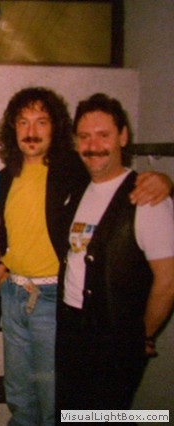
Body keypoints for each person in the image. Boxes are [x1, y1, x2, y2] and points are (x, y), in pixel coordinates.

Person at [0, 87, 173, 426]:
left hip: (54, 301)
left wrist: (164, 180)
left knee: (59, 403)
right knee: (20, 397)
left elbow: (119, 182)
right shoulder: (4, 177)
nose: (31, 131)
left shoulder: (74, 171)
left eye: (41, 121)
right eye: (23, 122)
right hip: (18, 298)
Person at [56, 93, 174, 413]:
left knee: (104, 416)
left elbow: (168, 282)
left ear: (123, 136)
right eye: (84, 136)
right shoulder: (79, 187)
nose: (93, 145)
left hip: (115, 339)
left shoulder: (147, 199)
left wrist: (141, 337)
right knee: (72, 415)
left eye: (103, 135)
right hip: (71, 328)